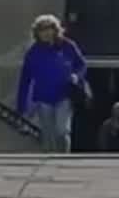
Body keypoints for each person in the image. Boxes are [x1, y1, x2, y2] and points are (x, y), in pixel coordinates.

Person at [16, 14, 87, 153]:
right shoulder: (33, 53)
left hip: (64, 96)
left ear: (55, 30)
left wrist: (76, 76)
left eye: (49, 28)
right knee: (48, 136)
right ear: (37, 33)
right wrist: (21, 108)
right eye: (42, 30)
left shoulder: (67, 46)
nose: (46, 33)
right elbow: (25, 80)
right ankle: (50, 161)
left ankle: (64, 160)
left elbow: (81, 64)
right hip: (43, 99)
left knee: (62, 131)